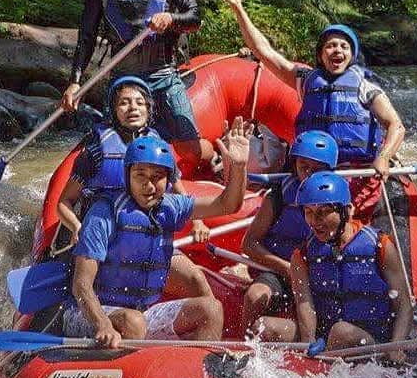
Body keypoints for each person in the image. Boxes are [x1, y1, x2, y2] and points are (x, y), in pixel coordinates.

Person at [32, 122, 251, 347]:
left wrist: (239, 167)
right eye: (140, 175)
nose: (149, 185)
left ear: (167, 180)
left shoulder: (171, 206)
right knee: (133, 322)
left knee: (211, 309)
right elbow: (81, 285)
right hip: (88, 315)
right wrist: (103, 325)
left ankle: (198, 372)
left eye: (157, 176)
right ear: (127, 176)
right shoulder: (104, 213)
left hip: (141, 314)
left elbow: (228, 204)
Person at [221, 0, 406, 218]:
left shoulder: (365, 87)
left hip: (355, 174)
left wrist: (383, 158)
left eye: (343, 46)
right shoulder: (306, 80)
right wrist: (239, 10)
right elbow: (263, 51)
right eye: (331, 46)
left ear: (352, 55)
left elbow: (396, 125)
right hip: (312, 171)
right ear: (321, 55)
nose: (337, 50)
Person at [59, 0, 214, 175]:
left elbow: (194, 18)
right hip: (124, 79)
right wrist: (75, 81)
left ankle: (218, 156)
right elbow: (86, 37)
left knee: (191, 149)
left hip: (164, 74)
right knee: (118, 150)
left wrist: (171, 18)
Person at [252, 172, 413, 362]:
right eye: (309, 212)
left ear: (347, 211)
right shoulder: (302, 255)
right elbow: (305, 305)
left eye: (323, 212)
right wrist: (309, 342)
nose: (314, 221)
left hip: (372, 341)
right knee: (264, 326)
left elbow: (404, 304)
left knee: (342, 332)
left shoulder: (380, 245)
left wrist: (397, 345)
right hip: (325, 338)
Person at [54, 75, 208, 251]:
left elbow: (180, 192)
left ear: (149, 110)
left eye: (140, 103)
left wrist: (198, 222)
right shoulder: (95, 152)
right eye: (124, 103)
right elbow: (63, 203)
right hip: (104, 238)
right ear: (114, 111)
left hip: (147, 235)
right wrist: (77, 227)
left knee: (195, 279)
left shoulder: (160, 150)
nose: (133, 108)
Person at [240, 130, 338, 336]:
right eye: (304, 167)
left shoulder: (338, 203)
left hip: (317, 275)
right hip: (279, 270)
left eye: (317, 170)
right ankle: (241, 348)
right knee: (255, 295)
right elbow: (248, 245)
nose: (308, 174)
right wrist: (287, 268)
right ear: (294, 165)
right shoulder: (278, 197)